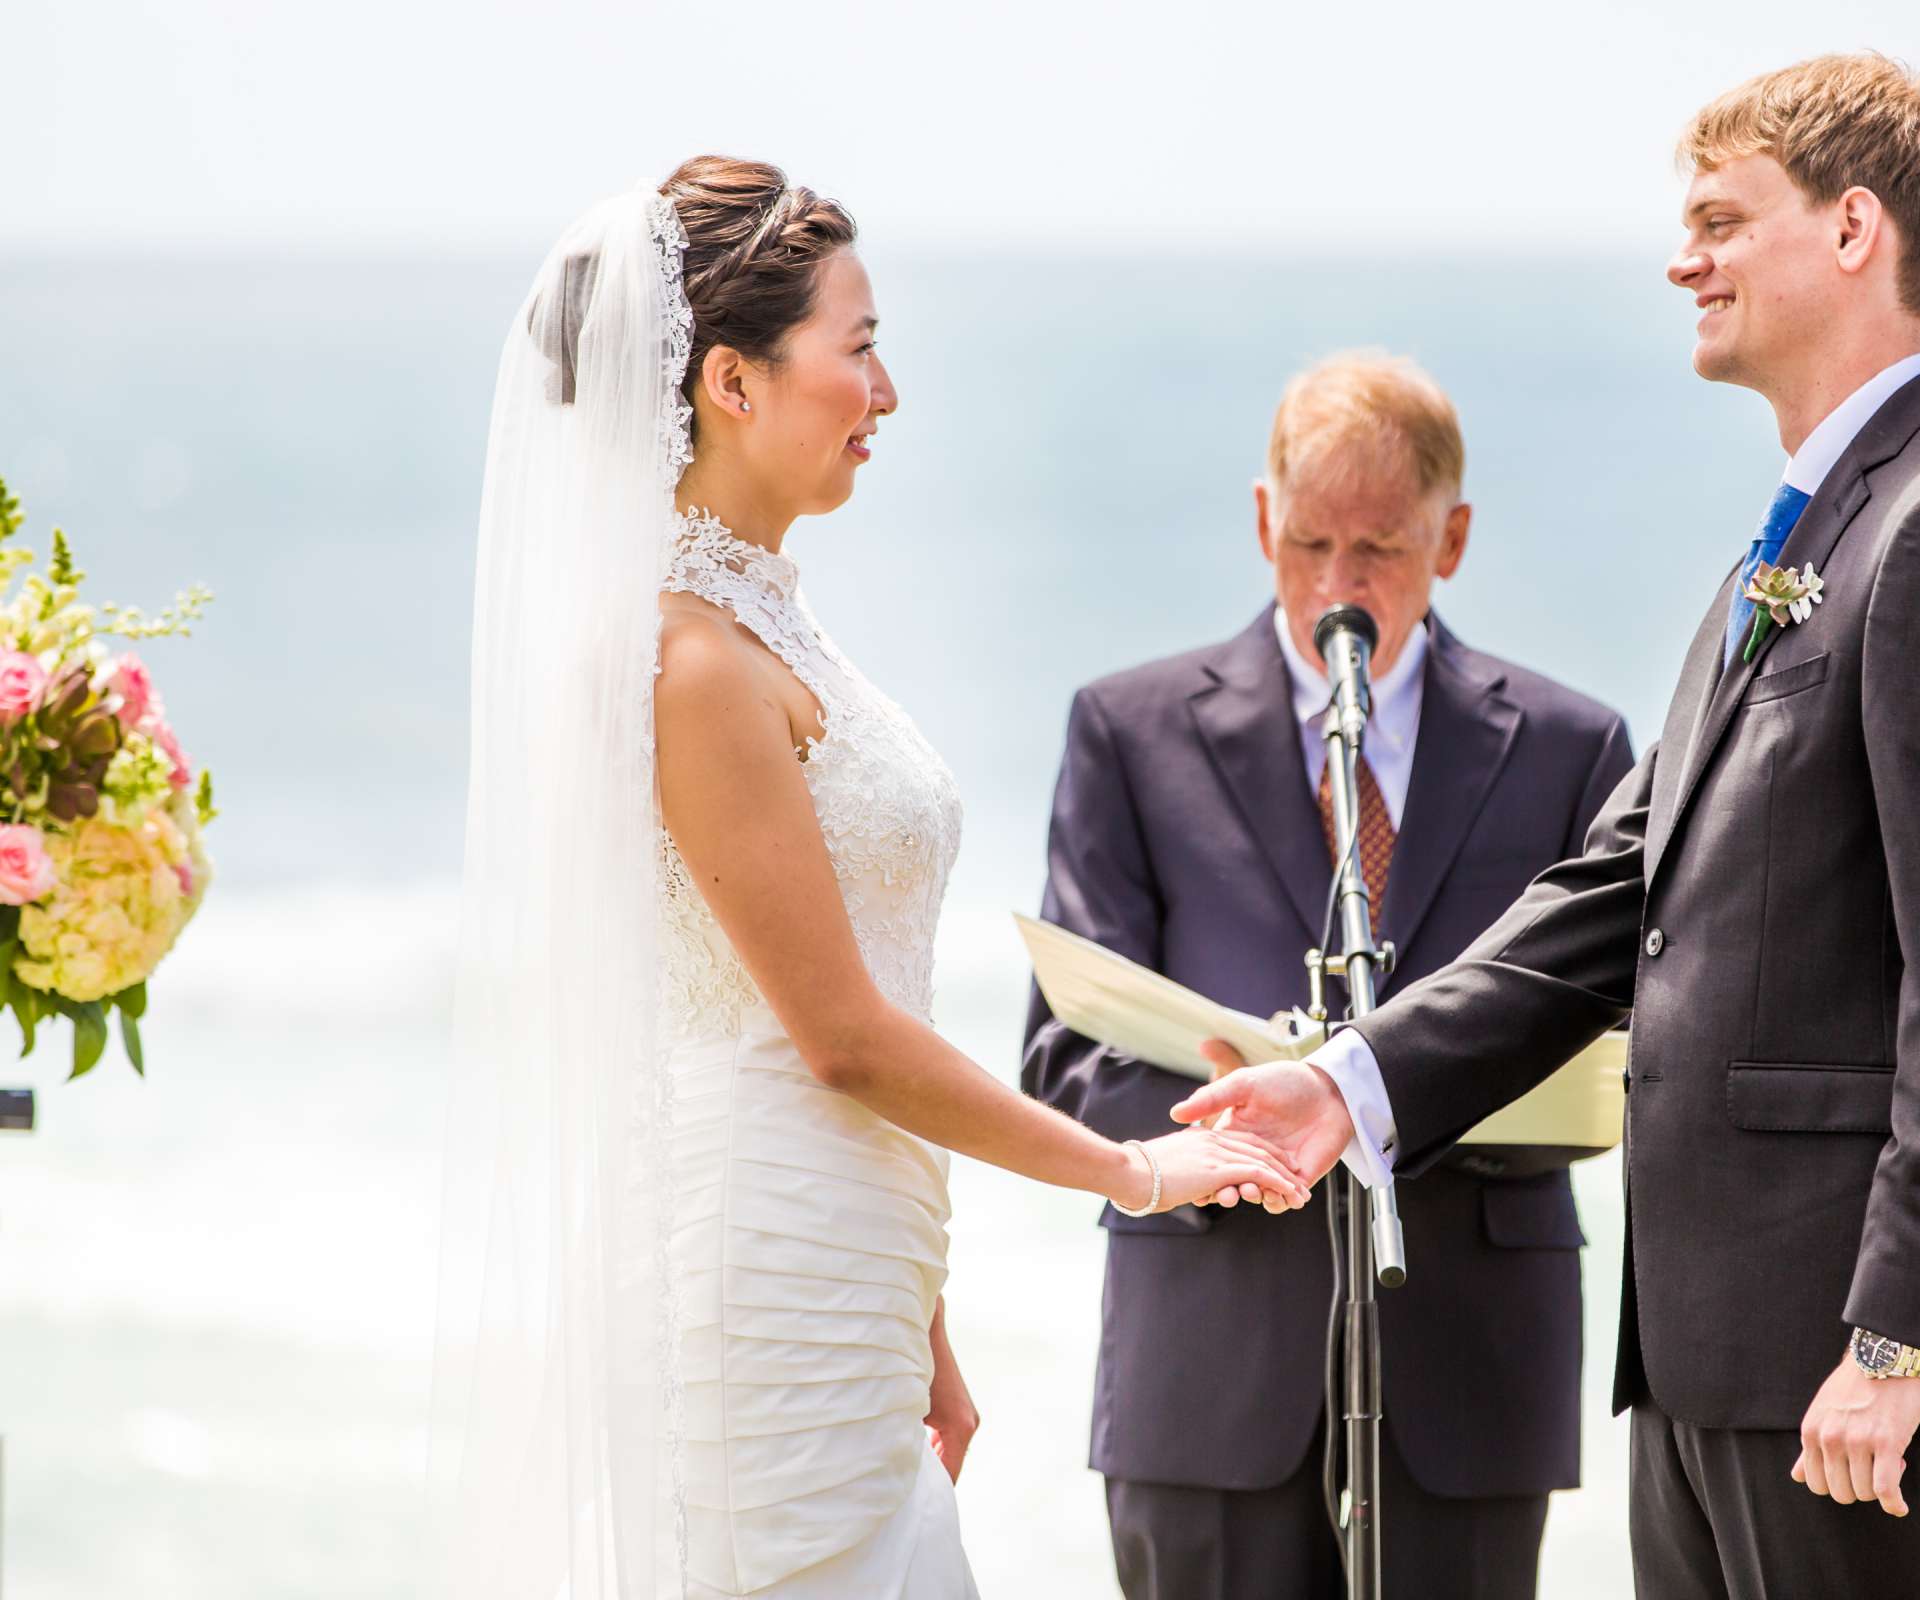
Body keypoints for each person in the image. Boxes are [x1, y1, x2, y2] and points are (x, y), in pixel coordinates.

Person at [1180, 55, 1920, 1600]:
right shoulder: (1796, 539)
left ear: (1854, 229)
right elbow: (1622, 891)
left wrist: (1900, 1334)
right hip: (1700, 1354)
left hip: (1840, 1370)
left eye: (1724, 221)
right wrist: (1355, 1084)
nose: (1686, 259)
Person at [430, 155, 1308, 1600]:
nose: (887, 394)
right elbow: (835, 1035)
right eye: (861, 349)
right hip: (758, 1288)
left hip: (852, 1280)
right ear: (730, 381)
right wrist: (1138, 1170)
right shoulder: (689, 662)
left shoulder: (767, 621)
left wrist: (926, 1327)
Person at [1023, 351, 1636, 1599]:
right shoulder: (1129, 731)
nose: (1335, 589)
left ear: (1451, 539)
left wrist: (1378, 1091)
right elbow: (1062, 1058)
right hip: (1207, 1365)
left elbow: (1612, 1063)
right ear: (1262, 519)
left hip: (1466, 1370)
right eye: (1307, 544)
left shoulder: (1575, 749)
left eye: (1380, 552)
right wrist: (1234, 1128)